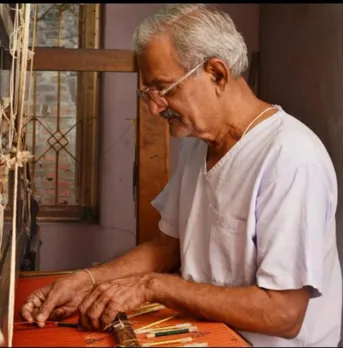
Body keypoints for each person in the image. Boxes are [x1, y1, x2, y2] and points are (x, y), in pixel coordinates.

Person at [21, 4, 342, 347]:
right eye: (148, 93)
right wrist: (85, 279)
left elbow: (284, 314)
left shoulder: (290, 157)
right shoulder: (197, 144)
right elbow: (166, 247)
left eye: (164, 88)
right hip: (209, 332)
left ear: (217, 74)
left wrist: (152, 286)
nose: (155, 107)